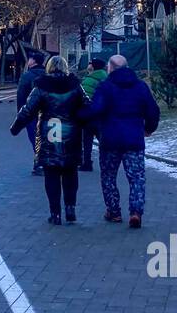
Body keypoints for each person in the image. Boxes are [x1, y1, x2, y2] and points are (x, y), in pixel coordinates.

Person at [10, 55, 91, 225]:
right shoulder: (75, 86)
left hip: (49, 134)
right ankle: (70, 208)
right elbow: (87, 107)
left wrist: (16, 127)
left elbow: (28, 109)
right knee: (70, 172)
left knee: (51, 174)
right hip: (71, 134)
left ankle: (55, 213)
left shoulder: (41, 86)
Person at [89, 54, 160, 229]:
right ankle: (136, 212)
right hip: (134, 140)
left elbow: (95, 110)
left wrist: (92, 127)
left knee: (108, 176)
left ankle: (113, 211)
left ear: (111, 68)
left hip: (110, 141)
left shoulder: (105, 87)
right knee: (136, 177)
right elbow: (153, 111)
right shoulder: (140, 87)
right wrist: (148, 129)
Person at [16, 50, 46, 175]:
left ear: (33, 61)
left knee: (34, 137)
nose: (28, 61)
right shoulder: (47, 74)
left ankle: (40, 163)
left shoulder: (27, 76)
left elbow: (21, 95)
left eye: (30, 59)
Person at [79, 55, 108, 171]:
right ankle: (106, 162)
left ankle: (87, 163)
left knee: (87, 140)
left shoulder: (89, 79)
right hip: (100, 115)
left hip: (88, 115)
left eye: (90, 63)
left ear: (93, 66)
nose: (88, 65)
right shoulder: (105, 78)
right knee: (103, 140)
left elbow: (82, 96)